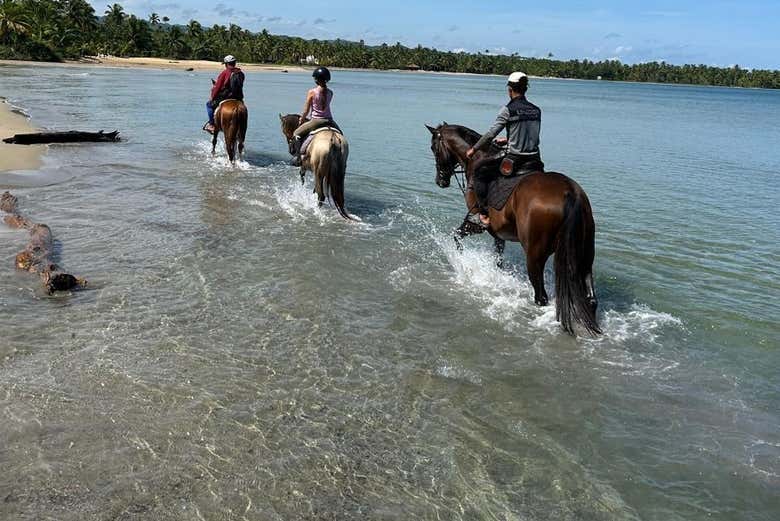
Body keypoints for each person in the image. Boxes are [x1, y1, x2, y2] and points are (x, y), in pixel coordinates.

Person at [465, 71, 544, 226]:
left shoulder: (508, 110)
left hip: (514, 159)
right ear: (525, 89)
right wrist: (510, 139)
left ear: (510, 89)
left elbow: (490, 134)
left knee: (479, 170)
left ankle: (484, 214)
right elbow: (531, 135)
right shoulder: (536, 110)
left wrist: (473, 149)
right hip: (534, 159)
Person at [290, 66, 341, 166]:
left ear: (316, 79)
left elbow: (306, 110)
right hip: (330, 120)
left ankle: (299, 158)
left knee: (296, 133)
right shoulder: (331, 92)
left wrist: (302, 119)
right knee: (341, 135)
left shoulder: (312, 92)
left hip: (316, 120)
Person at [203, 55, 245, 134]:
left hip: (225, 97)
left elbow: (218, 87)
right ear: (234, 63)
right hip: (239, 98)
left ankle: (211, 125)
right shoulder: (241, 73)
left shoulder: (225, 72)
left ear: (226, 64)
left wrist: (212, 97)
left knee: (208, 105)